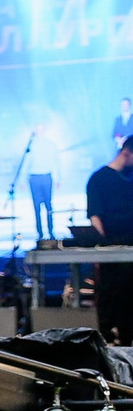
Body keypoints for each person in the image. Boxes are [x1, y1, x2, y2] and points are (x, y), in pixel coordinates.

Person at [87, 138, 133, 340]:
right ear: (126, 153)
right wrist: (103, 248)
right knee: (114, 299)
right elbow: (95, 216)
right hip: (112, 252)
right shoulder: (99, 179)